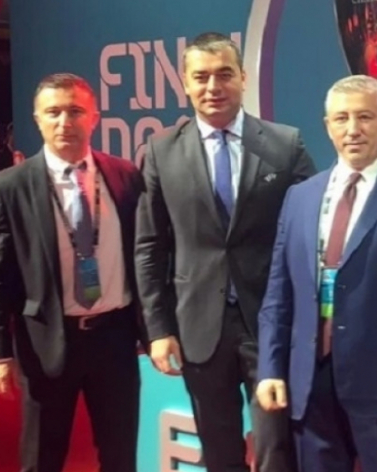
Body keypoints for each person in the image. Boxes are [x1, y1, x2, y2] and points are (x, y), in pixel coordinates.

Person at [134, 32, 315, 472]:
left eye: (224, 75)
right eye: (201, 77)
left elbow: (311, 234)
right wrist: (158, 329)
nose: (213, 86)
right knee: (218, 453)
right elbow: (149, 246)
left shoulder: (284, 144)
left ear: (243, 78)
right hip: (197, 326)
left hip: (269, 323)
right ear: (185, 83)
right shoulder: (161, 151)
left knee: (277, 449)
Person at [256, 75, 377, 472]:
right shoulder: (300, 197)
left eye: (364, 117)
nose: (352, 129)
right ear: (327, 126)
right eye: (341, 118)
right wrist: (270, 367)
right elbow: (279, 293)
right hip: (310, 385)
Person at [0, 73, 147, 472]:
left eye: (75, 111)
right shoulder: (9, 186)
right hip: (48, 342)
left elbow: (145, 256)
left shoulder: (125, 175)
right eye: (53, 112)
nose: (64, 122)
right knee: (42, 457)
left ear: (95, 118)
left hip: (115, 340)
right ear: (37, 119)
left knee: (121, 455)